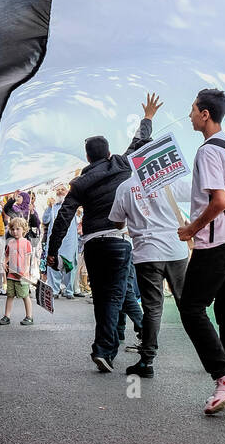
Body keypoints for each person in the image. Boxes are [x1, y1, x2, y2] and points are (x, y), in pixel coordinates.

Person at [47, 93, 160, 371]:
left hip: (94, 245)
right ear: (108, 153)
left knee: (103, 298)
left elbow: (63, 217)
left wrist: (51, 251)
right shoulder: (121, 163)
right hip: (119, 242)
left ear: (87, 157)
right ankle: (107, 348)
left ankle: (107, 349)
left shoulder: (81, 182)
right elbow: (139, 142)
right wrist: (148, 117)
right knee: (116, 296)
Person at [175, 88, 225, 414]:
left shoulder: (209, 151)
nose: (191, 115)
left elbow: (219, 201)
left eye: (193, 109)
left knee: (192, 308)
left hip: (216, 242)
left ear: (205, 114)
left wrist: (191, 229)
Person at [107, 156, 188, 378]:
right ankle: (213, 356)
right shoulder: (167, 181)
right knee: (189, 306)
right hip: (176, 251)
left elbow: (117, 222)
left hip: (147, 254)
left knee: (153, 308)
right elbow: (196, 193)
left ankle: (147, 361)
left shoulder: (126, 187)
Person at [0, 216, 35, 326]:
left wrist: (26, 272)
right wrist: (4, 262)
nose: (15, 231)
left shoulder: (27, 243)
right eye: (13, 229)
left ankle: (29, 317)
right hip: (11, 275)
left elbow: (28, 260)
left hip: (22, 275)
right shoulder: (10, 243)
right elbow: (7, 255)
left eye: (18, 229)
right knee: (10, 295)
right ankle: (7, 316)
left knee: (25, 296)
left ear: (24, 229)